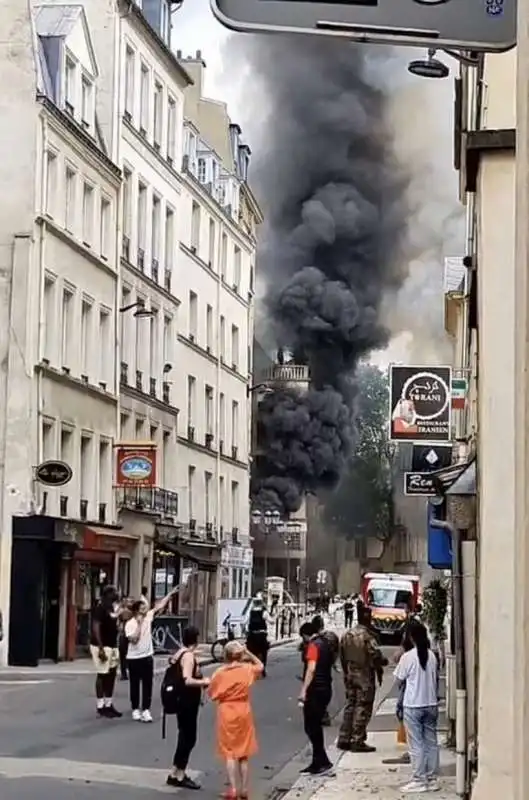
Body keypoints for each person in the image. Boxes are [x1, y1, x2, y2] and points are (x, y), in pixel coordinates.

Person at [208, 641, 263, 799]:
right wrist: (248, 652)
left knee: (230, 752)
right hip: (243, 709)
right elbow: (260, 665)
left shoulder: (220, 672)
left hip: (227, 710)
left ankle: (233, 789)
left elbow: (212, 693)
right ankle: (245, 788)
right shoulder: (246, 669)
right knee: (244, 752)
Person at [394, 619, 440, 794]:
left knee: (416, 744)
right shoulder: (432, 655)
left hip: (413, 705)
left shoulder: (408, 657)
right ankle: (432, 779)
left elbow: (398, 680)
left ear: (411, 637)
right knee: (431, 742)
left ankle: (419, 779)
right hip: (431, 704)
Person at [337, 606, 387, 752]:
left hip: (350, 674)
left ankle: (344, 737)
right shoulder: (367, 636)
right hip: (364, 675)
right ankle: (357, 739)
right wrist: (383, 662)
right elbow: (375, 655)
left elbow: (341, 657)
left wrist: (346, 673)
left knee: (350, 705)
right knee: (363, 706)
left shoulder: (347, 635)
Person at [167, 626, 210, 790]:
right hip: (186, 701)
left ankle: (175, 772)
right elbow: (187, 679)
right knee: (188, 738)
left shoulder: (180, 652)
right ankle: (179, 774)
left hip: (181, 700)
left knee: (184, 736)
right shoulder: (189, 656)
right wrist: (204, 682)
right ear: (196, 639)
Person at [125, 587, 177, 722]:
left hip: (147, 656)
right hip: (133, 658)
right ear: (137, 611)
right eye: (142, 608)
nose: (145, 610)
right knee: (134, 684)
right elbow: (134, 640)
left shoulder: (148, 617)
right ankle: (135, 708)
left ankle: (146, 709)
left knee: (148, 684)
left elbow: (158, 606)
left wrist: (170, 594)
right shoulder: (129, 624)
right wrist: (140, 624)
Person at [298, 617, 334, 775]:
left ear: (306, 635)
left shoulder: (313, 646)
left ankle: (322, 761)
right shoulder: (326, 643)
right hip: (325, 688)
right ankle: (317, 761)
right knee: (315, 726)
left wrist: (303, 690)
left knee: (311, 727)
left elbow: (311, 669)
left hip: (315, 690)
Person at [90, 585, 122, 718]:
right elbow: (96, 626)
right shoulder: (100, 607)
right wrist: (101, 647)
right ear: (107, 595)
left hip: (112, 645)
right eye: (113, 593)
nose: (116, 595)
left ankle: (109, 703)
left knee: (112, 674)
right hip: (101, 645)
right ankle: (100, 705)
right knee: (102, 674)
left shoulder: (111, 608)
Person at [245, 597, 270, 677]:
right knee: (264, 652)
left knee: (251, 652)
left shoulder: (250, 612)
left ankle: (252, 669)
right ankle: (262, 668)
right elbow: (271, 621)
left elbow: (244, 622)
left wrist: (245, 631)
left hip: (252, 635)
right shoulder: (264, 612)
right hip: (261, 634)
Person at [117, 598, 133, 681]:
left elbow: (119, 623)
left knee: (123, 655)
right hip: (128, 634)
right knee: (128, 654)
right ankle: (128, 672)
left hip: (124, 634)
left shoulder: (124, 612)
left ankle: (124, 674)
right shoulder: (132, 613)